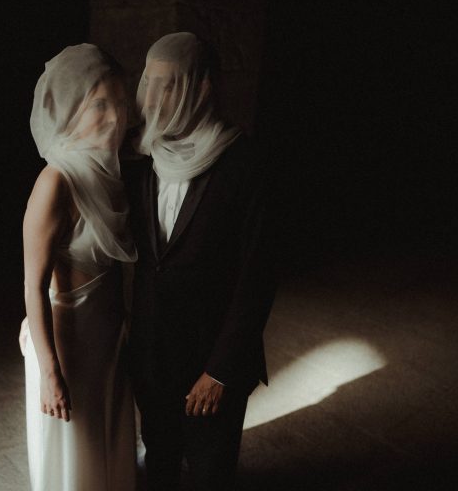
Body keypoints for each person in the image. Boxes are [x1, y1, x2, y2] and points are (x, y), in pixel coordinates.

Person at [125, 32, 277, 490]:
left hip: (210, 360)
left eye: (168, 85)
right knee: (159, 463)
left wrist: (220, 372)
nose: (152, 98)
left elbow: (257, 277)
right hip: (153, 355)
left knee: (211, 472)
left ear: (203, 86)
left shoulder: (245, 164)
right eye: (148, 82)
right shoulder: (140, 156)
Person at [18, 43, 138, 491]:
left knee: (107, 439)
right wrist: (50, 373)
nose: (115, 116)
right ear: (71, 112)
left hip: (108, 337)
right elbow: (33, 285)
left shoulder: (113, 173)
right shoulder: (55, 182)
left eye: (120, 102)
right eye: (99, 105)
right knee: (76, 450)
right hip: (68, 344)